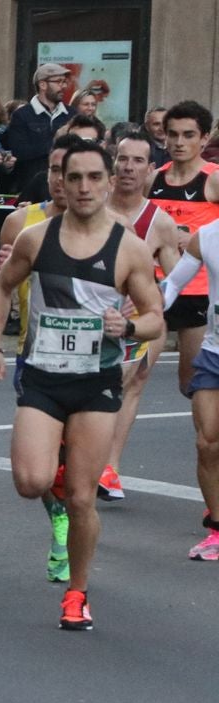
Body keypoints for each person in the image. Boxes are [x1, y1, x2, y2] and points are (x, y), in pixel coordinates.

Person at [0, 141, 163, 630]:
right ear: (60, 181)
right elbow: (0, 287)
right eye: (73, 176)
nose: (82, 187)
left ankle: (76, 593)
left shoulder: (129, 247)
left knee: (83, 498)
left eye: (92, 178)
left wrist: (128, 328)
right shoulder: (36, 238)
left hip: (95, 382)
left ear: (108, 183)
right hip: (43, 376)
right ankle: (59, 472)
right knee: (31, 482)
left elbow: (154, 320)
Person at [0, 134, 80, 584]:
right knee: (38, 470)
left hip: (93, 364)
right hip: (36, 354)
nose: (61, 180)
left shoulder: (110, 230)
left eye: (70, 171)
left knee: (75, 460)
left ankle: (74, 536)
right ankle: (59, 514)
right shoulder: (20, 224)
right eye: (53, 170)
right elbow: (0, 285)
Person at [102, 133, 181, 500]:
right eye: (123, 158)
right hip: (90, 316)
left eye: (137, 161)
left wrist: (149, 298)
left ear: (151, 170)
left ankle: (109, 469)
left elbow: (177, 280)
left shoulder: (159, 222)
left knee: (128, 384)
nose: (128, 167)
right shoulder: (92, 204)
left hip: (137, 321)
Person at [146, 100, 219, 396]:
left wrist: (198, 241)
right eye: (172, 134)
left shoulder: (213, 179)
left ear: (204, 138)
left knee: (191, 383)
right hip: (154, 288)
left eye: (188, 135)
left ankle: (207, 441)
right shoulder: (153, 179)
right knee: (134, 375)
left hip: (198, 292)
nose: (178, 142)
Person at [161, 220, 219, 558]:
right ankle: (217, 529)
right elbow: (172, 284)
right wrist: (146, 301)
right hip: (213, 353)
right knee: (207, 442)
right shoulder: (207, 237)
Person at [2, 63, 71, 200]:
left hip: (65, 189)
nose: (63, 86)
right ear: (43, 85)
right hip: (32, 190)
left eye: (64, 82)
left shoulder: (71, 114)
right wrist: (55, 142)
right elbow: (19, 151)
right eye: (58, 82)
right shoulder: (22, 115)